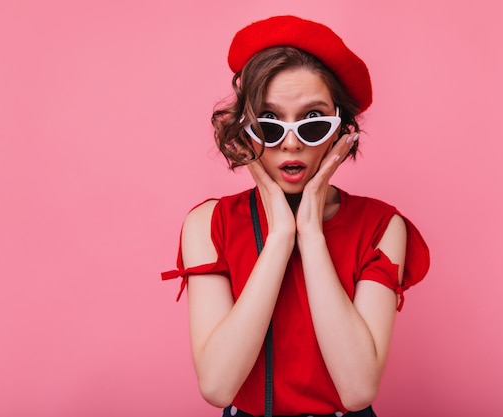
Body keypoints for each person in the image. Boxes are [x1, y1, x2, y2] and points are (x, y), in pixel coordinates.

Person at [162, 15, 430, 417]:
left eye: (313, 123)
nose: (290, 143)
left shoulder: (381, 228)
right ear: (245, 130)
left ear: (341, 132)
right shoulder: (209, 223)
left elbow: (358, 389)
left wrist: (311, 231)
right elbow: (218, 385)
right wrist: (280, 237)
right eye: (269, 125)